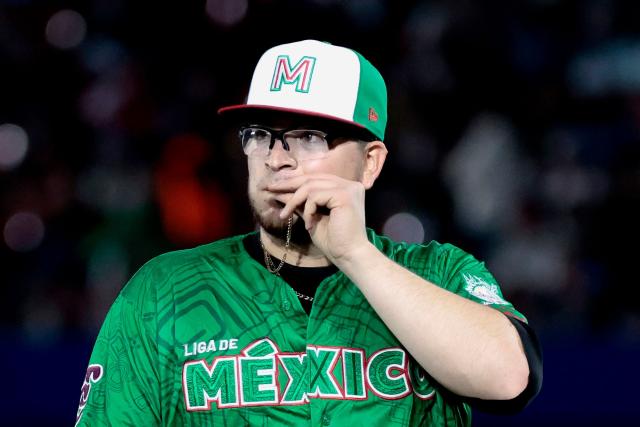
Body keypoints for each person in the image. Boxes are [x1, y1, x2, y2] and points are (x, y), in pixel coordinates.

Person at [76, 39, 542, 426]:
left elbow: (509, 380)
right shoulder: (165, 291)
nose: (276, 158)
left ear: (371, 163)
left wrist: (356, 255)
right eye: (259, 133)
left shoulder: (437, 271)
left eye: (308, 136)